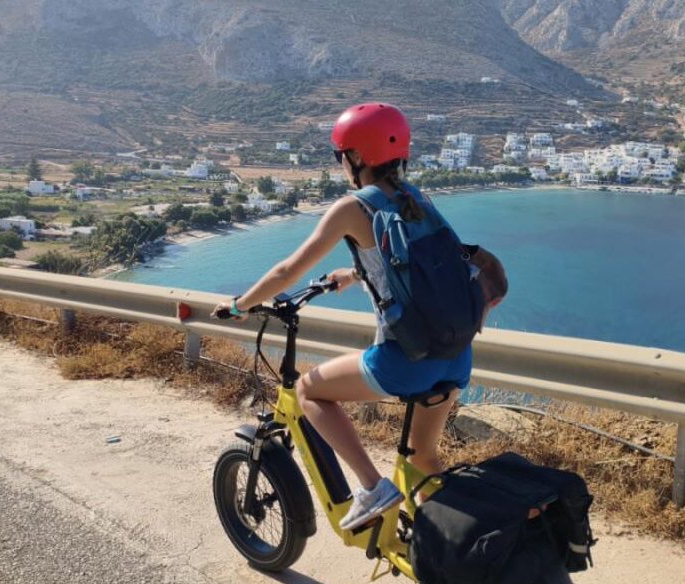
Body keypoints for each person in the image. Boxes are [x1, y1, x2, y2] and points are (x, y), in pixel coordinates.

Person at [214, 102, 506, 530]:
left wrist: (240, 305)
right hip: (456, 354)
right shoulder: (417, 199)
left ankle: (372, 487)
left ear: (354, 157)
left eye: (341, 157)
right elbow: (416, 267)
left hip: (405, 360)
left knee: (311, 392)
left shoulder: (352, 209)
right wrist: (354, 274)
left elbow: (286, 271)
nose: (341, 166)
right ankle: (455, 546)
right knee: (423, 457)